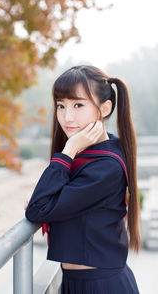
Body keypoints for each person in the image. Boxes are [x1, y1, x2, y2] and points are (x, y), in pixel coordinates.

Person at [24, 65, 141, 293]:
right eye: (61, 105)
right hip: (80, 282)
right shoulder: (96, 154)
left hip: (100, 285)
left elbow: (37, 209)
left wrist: (68, 151)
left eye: (78, 105)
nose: (67, 116)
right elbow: (45, 204)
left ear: (105, 108)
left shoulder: (105, 166)